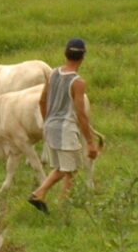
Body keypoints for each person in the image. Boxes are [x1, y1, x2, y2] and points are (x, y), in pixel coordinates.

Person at [28, 37, 97, 212]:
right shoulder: (78, 82)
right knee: (70, 170)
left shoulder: (53, 74)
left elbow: (42, 100)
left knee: (62, 168)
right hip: (65, 129)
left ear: (65, 53)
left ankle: (41, 196)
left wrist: (47, 121)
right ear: (83, 57)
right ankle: (57, 204)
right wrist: (90, 142)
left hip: (50, 126)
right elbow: (81, 113)